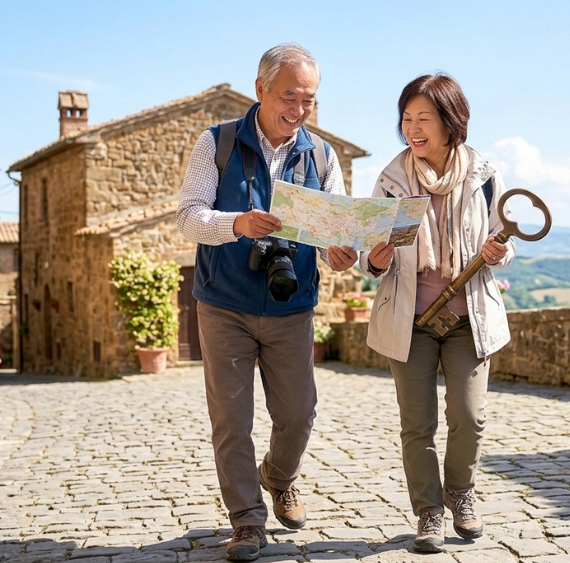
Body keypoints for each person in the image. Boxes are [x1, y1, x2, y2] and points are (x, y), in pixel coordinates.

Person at [177, 43, 357, 561]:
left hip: (291, 304)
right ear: (260, 90)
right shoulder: (216, 144)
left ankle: (279, 477)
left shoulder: (322, 156)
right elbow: (188, 216)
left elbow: (333, 236)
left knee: (299, 413)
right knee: (232, 419)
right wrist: (236, 224)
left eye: (309, 99)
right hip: (223, 304)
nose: (300, 110)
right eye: (290, 96)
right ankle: (247, 522)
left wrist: (340, 253)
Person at [359, 73, 515, 553]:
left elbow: (503, 238)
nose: (413, 128)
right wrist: (378, 256)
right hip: (411, 322)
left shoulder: (484, 174)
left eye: (424, 118)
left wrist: (496, 253)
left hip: (469, 316)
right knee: (417, 423)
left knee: (469, 417)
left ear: (451, 123)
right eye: (407, 119)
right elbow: (369, 258)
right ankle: (429, 514)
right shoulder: (391, 180)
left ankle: (461, 494)